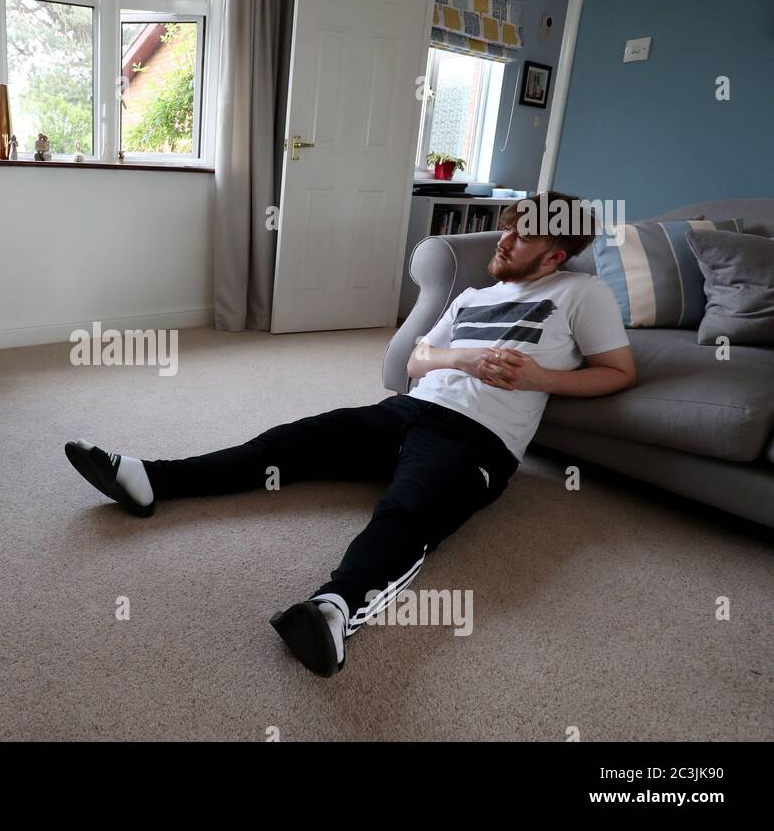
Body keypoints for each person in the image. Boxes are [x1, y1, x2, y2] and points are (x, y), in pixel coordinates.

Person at [64, 192, 636, 678]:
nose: (504, 241)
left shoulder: (582, 296)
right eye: (507, 227)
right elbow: (416, 360)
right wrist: (460, 359)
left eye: (522, 237)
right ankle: (149, 479)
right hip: (404, 412)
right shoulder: (471, 297)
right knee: (282, 444)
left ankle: (336, 610)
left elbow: (618, 372)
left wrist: (543, 378)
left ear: (555, 254)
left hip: (477, 441)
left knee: (407, 513)